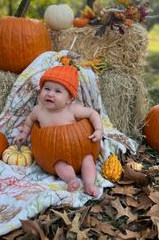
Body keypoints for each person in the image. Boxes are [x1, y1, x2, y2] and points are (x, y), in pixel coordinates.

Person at [13, 65, 103, 197]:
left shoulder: (72, 110)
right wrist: (24, 134)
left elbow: (92, 113)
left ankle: (89, 184)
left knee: (88, 160)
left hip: (81, 149)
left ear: (69, 99)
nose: (50, 94)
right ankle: (71, 180)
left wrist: (98, 130)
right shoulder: (38, 111)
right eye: (47, 88)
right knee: (58, 166)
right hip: (54, 154)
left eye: (57, 91)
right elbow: (29, 121)